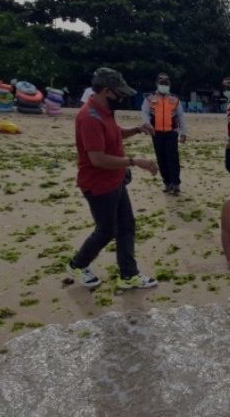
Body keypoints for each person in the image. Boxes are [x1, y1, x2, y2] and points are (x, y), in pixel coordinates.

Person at [65, 67, 160, 290]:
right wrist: (134, 161)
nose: (123, 97)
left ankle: (128, 275)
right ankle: (77, 265)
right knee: (106, 230)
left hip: (115, 181)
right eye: (120, 93)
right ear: (107, 91)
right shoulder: (89, 117)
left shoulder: (105, 111)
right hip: (98, 185)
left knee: (126, 226)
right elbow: (97, 159)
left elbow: (115, 133)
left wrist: (137, 129)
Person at [141, 72, 188, 195]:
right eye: (161, 83)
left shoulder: (174, 99)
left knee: (173, 158)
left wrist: (184, 132)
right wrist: (147, 125)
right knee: (161, 159)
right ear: (157, 84)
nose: (164, 85)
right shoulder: (149, 98)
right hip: (156, 133)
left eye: (166, 83)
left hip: (171, 133)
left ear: (170, 85)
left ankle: (176, 184)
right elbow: (145, 113)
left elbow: (181, 116)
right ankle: (167, 183)